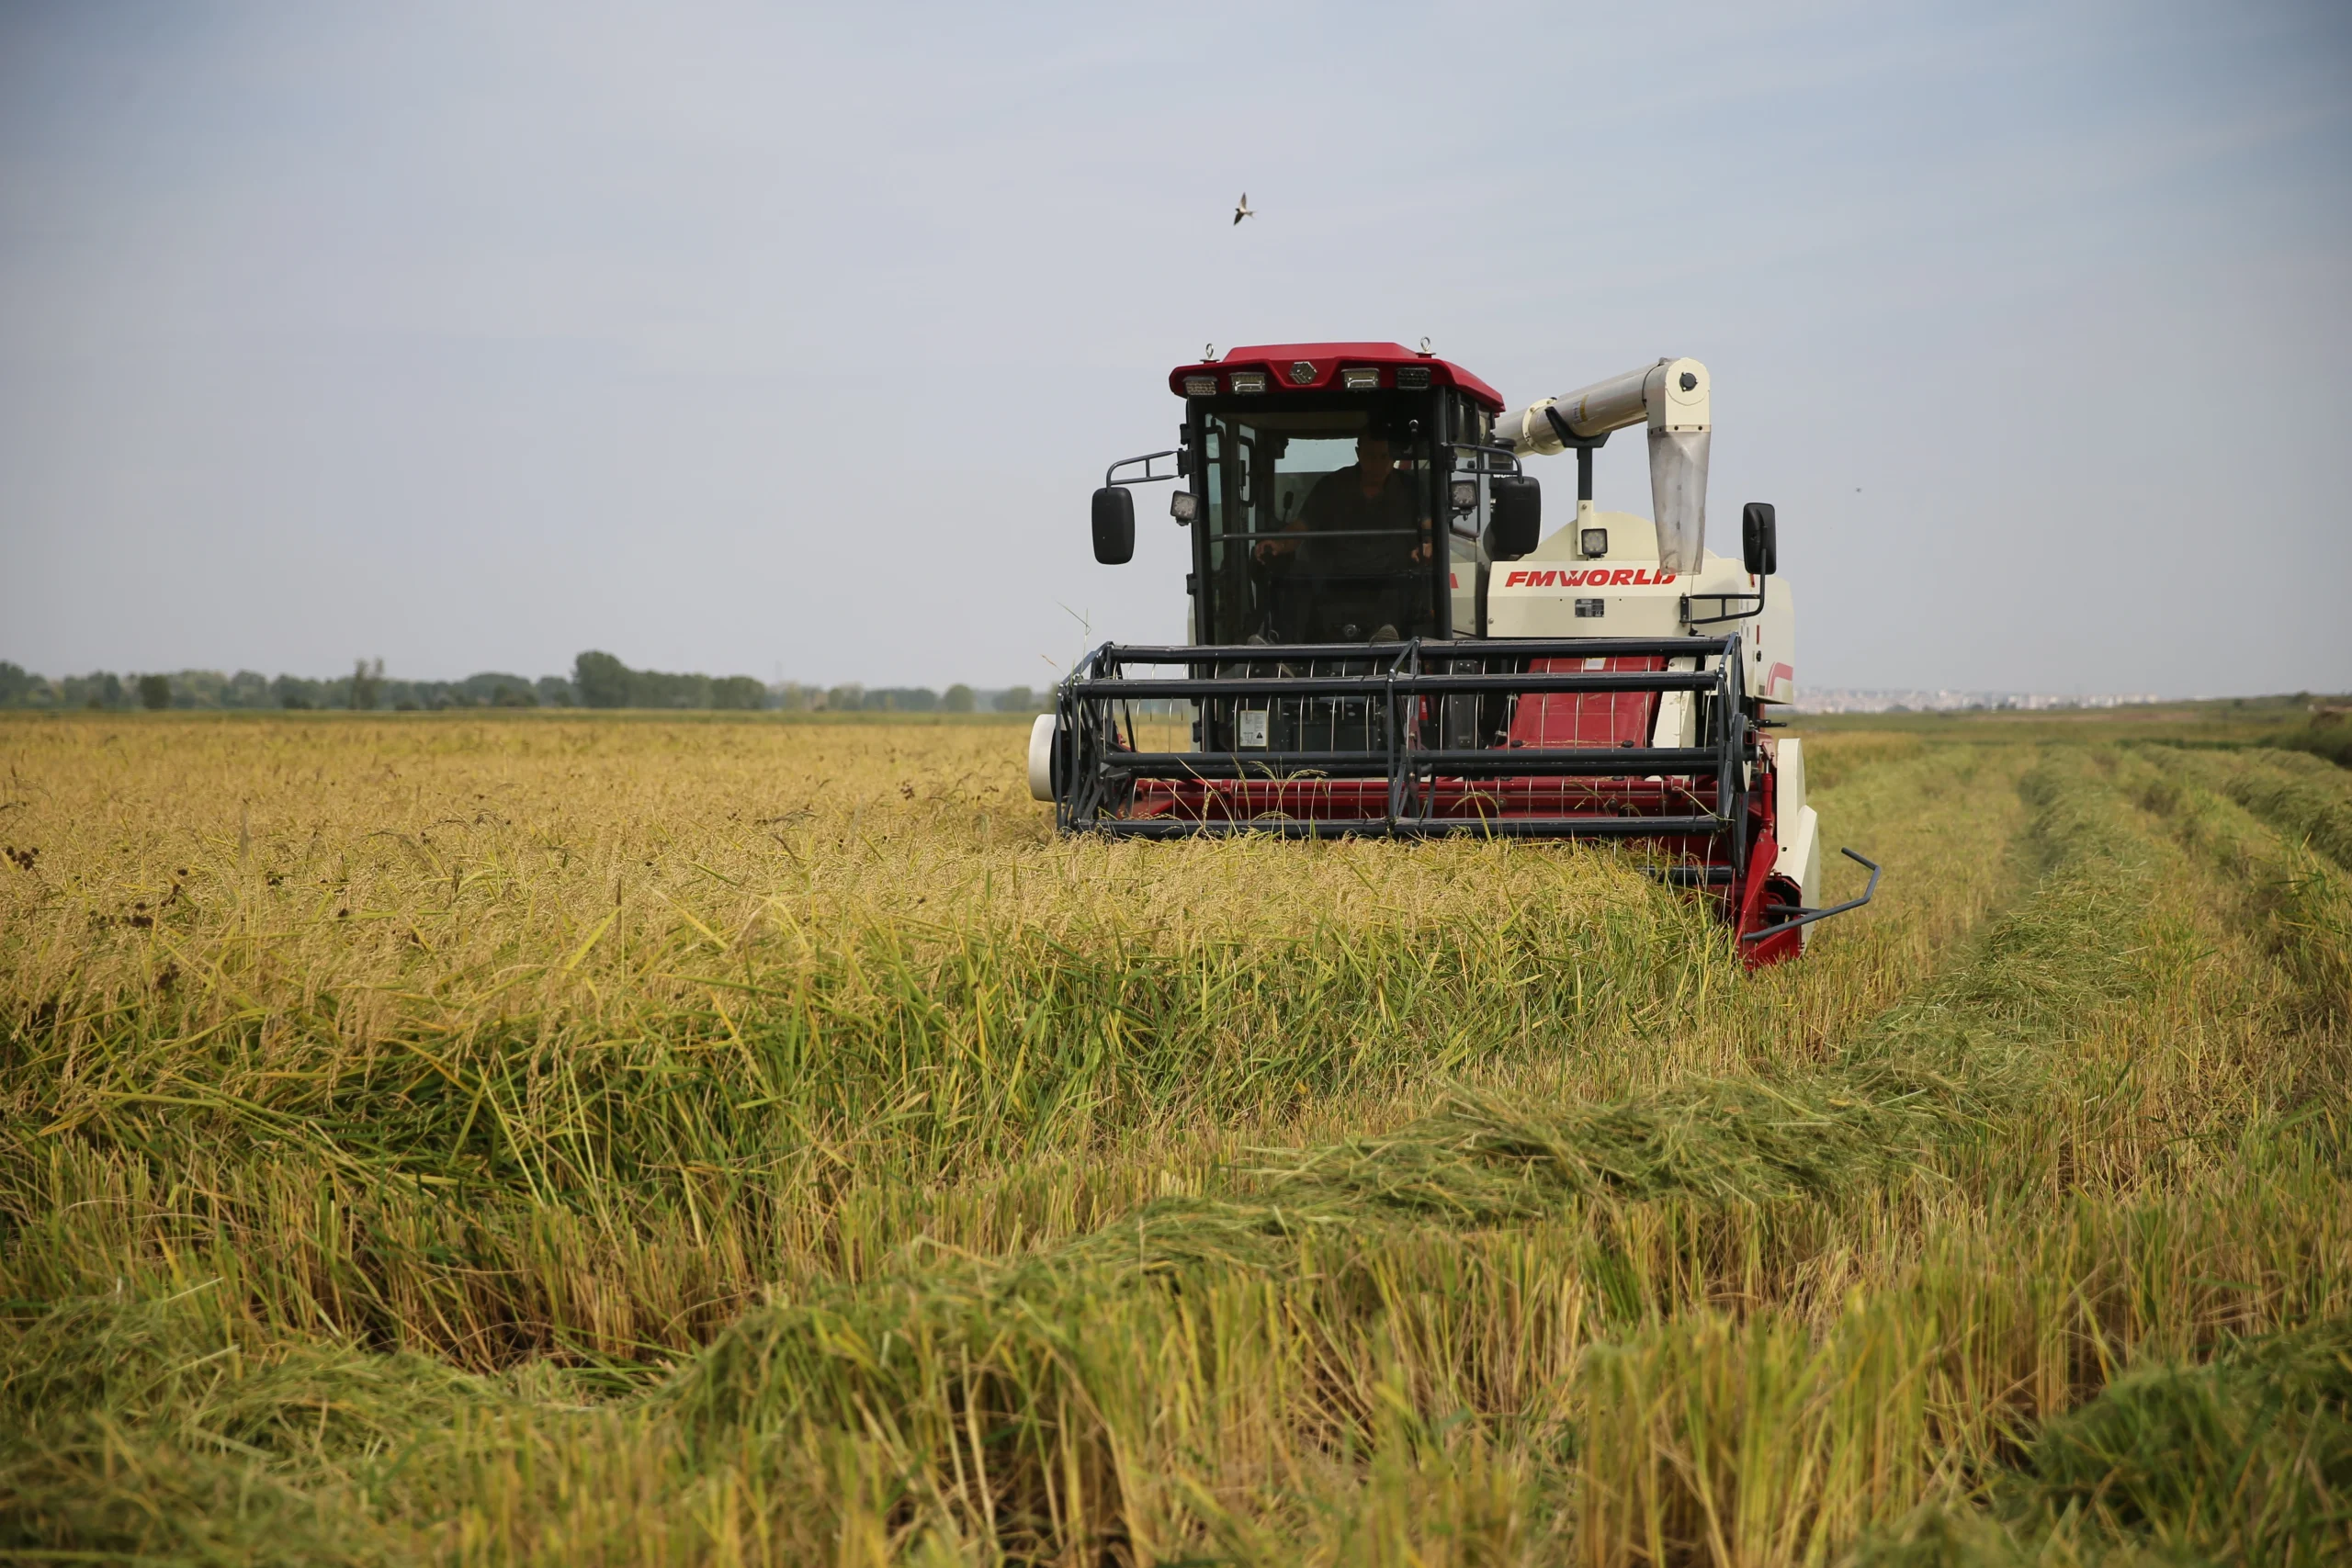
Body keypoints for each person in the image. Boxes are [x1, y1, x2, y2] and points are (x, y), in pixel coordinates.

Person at [1253, 428, 1431, 574]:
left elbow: (1429, 527)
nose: (1377, 464)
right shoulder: (1330, 487)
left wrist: (1429, 545)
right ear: (1358, 454)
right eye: (1370, 456)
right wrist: (1279, 544)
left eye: (1384, 457)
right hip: (1339, 585)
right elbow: (1301, 527)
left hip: (1397, 584)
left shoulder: (1412, 488)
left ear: (1394, 457)